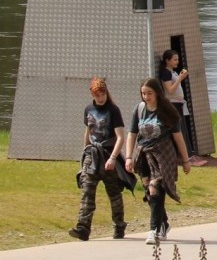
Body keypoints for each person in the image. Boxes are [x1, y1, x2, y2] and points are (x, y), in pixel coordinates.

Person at [123, 77, 191, 245]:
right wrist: (129, 156)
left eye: (149, 93)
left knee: (155, 188)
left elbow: (178, 137)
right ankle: (164, 223)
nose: (146, 97)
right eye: (143, 93)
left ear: (157, 93)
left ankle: (153, 230)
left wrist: (186, 160)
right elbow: (131, 134)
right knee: (150, 191)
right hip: (144, 155)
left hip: (163, 156)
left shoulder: (166, 110)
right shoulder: (139, 110)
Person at [68, 78, 128, 241]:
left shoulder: (113, 110)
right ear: (92, 94)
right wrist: (85, 151)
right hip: (92, 155)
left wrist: (114, 158)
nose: (101, 98)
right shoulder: (88, 109)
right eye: (97, 95)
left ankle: (119, 226)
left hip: (108, 154)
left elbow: (120, 137)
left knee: (114, 193)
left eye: (103, 94)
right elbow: (87, 132)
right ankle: (83, 228)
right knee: (87, 190)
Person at [158, 50, 206, 167]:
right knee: (179, 131)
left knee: (182, 129)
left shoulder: (172, 72)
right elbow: (169, 90)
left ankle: (187, 155)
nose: (177, 62)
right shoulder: (166, 73)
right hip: (172, 104)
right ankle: (187, 157)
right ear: (167, 61)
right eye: (174, 59)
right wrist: (180, 78)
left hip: (178, 104)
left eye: (178, 59)